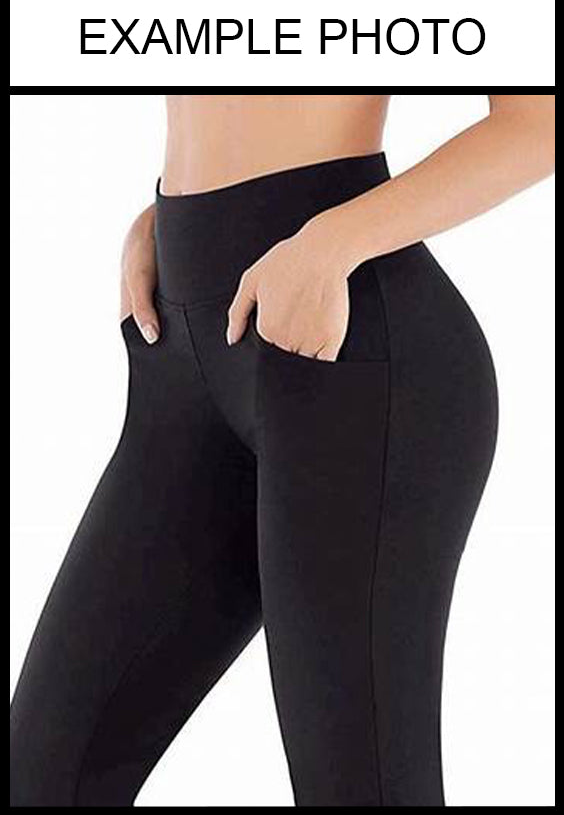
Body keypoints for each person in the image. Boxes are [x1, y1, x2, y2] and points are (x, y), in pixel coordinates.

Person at [10, 94, 555, 807]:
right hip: (182, 353)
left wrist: (332, 242)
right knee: (41, 777)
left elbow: (540, 125)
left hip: (350, 352)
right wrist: (167, 218)